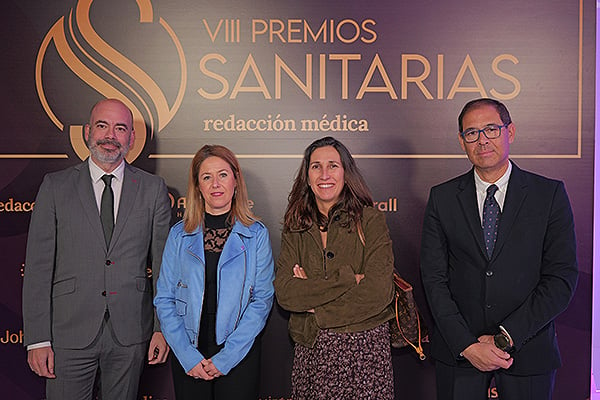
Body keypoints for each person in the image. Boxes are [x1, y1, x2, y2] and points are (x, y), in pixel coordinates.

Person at [420, 98, 578, 400]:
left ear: (511, 132)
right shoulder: (442, 198)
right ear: (461, 141)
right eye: (472, 133)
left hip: (528, 353)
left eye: (491, 129)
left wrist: (505, 338)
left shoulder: (549, 195)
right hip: (460, 356)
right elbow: (433, 279)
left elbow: (561, 279)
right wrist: (467, 345)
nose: (482, 140)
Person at [22, 98, 171, 399]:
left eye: (120, 128)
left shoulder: (153, 189)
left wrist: (162, 328)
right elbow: (37, 269)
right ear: (88, 131)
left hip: (130, 333)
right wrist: (37, 340)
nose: (110, 136)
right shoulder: (55, 187)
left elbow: (165, 268)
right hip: (68, 332)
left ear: (131, 138)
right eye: (102, 126)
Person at [274, 136, 395, 400]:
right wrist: (349, 279)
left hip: (364, 354)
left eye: (333, 166)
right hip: (311, 351)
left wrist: (316, 304)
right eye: (316, 166)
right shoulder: (296, 225)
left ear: (346, 173)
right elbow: (286, 293)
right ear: (307, 176)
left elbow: (379, 291)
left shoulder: (371, 220)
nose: (324, 174)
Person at [154, 144, 275, 400]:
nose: (215, 184)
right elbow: (164, 299)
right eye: (206, 177)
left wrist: (227, 357)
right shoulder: (179, 235)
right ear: (197, 186)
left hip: (238, 353)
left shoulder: (256, 235)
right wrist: (186, 355)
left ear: (235, 180)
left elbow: (262, 300)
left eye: (223, 174)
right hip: (189, 352)